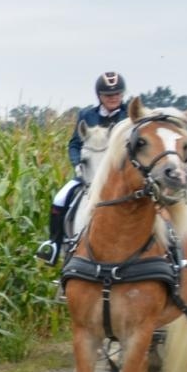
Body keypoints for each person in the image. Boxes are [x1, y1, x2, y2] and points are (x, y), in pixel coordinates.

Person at [39, 72, 128, 264]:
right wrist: (77, 164)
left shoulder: (128, 117)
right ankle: (54, 245)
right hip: (88, 172)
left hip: (119, 175)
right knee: (60, 198)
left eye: (117, 94)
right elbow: (74, 144)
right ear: (99, 96)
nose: (113, 98)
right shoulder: (86, 115)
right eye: (108, 95)